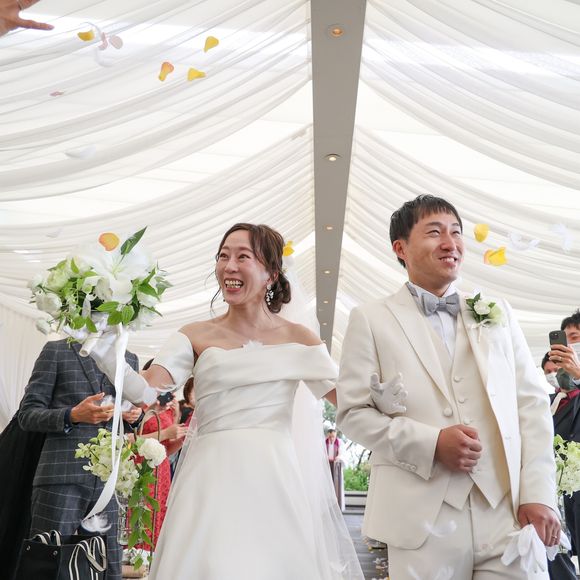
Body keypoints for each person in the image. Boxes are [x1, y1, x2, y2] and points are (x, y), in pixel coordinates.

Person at [88, 223, 363, 579]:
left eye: (242, 257)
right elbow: (144, 392)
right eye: (223, 256)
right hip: (210, 475)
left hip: (273, 477)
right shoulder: (195, 334)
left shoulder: (300, 338)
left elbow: (348, 400)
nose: (229, 266)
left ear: (271, 274)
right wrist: (107, 353)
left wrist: (381, 394)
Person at [337, 194, 559, 579]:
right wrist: (432, 443)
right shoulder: (371, 319)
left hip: (505, 515)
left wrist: (539, 495)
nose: (450, 243)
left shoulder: (498, 314)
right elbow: (353, 414)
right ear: (400, 248)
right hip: (420, 520)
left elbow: (532, 406)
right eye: (434, 232)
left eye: (456, 232)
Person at [17, 338, 140, 580]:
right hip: (61, 477)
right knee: (46, 565)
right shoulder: (56, 350)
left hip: (109, 484)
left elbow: (127, 414)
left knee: (109, 568)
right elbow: (27, 414)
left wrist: (134, 416)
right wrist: (72, 415)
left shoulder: (129, 359)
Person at [540, 350, 579, 580]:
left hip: (577, 484)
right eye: (548, 371)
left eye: (557, 369)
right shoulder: (545, 401)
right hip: (554, 487)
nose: (553, 374)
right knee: (557, 549)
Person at [549, 311, 580, 561]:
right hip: (567, 492)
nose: (570, 345)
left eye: (576, 338)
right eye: (567, 339)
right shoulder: (556, 399)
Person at [326, 428, 345, 510]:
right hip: (326, 464)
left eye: (333, 436)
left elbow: (342, 453)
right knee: (327, 484)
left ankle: (337, 505)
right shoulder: (324, 442)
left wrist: (338, 457)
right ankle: (327, 505)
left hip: (336, 465)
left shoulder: (339, 442)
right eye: (330, 437)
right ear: (328, 435)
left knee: (336, 485)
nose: (331, 438)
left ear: (335, 435)